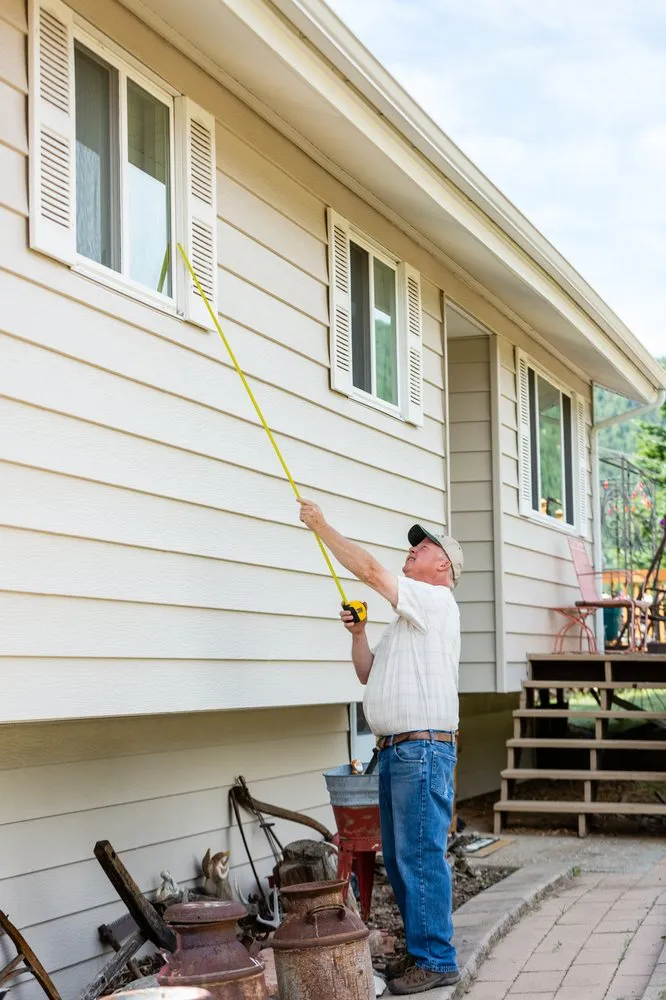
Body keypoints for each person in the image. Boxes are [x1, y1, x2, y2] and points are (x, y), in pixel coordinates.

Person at [298, 498, 463, 996]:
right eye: (411, 548)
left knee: (419, 855)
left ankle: (437, 959)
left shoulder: (434, 602)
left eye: (423, 548)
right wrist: (360, 634)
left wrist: (322, 527)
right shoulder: (406, 624)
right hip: (397, 752)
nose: (411, 553)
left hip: (421, 751)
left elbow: (370, 570)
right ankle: (421, 955)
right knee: (402, 856)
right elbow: (368, 672)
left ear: (444, 567)